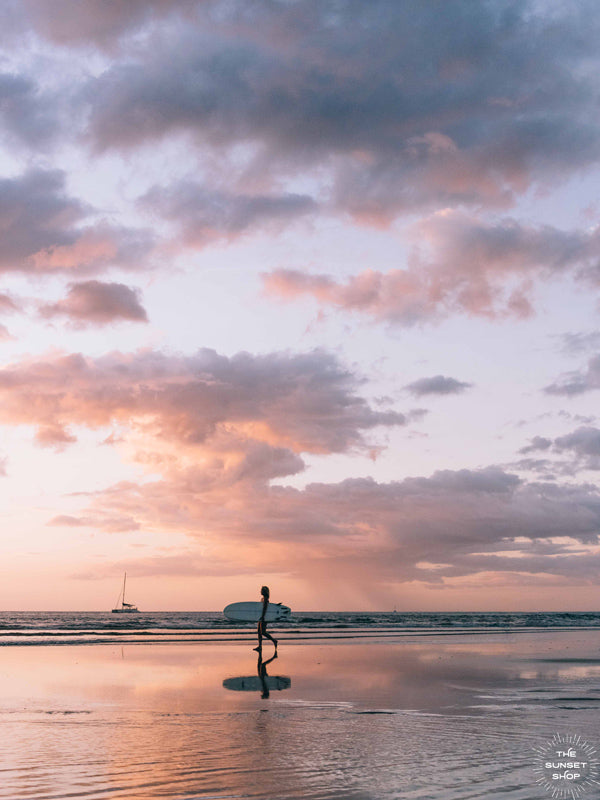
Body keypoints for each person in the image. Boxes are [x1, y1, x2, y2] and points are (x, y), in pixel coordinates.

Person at [254, 585, 277, 652]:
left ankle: (274, 641)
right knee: (259, 632)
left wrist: (263, 617)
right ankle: (260, 646)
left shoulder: (266, 598)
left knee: (263, 632)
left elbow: (265, 608)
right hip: (261, 616)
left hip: (264, 617)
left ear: (264, 591)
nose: (260, 591)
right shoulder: (262, 599)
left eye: (262, 590)